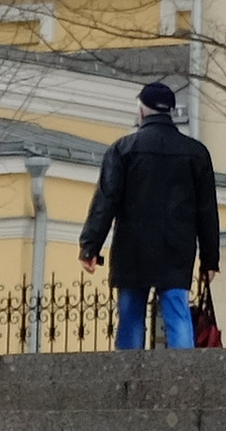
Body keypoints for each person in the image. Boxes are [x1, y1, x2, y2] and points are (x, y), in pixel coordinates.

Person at [81, 77, 218, 350]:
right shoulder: (196, 153)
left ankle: (129, 369)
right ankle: (184, 369)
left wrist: (90, 246)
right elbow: (207, 211)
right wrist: (210, 259)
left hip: (133, 245)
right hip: (177, 246)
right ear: (170, 111)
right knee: (177, 311)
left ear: (142, 110)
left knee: (131, 313)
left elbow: (106, 201)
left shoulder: (123, 149)